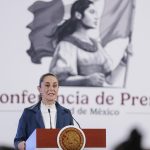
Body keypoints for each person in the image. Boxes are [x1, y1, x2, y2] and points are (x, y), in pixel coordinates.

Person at [49, 0, 126, 87]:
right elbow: (59, 80)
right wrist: (86, 80)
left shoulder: (97, 45)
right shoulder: (67, 45)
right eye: (92, 12)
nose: (96, 17)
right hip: (78, 98)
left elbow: (109, 80)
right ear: (78, 15)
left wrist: (123, 62)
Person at [14, 73, 73, 150]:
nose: (51, 88)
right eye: (47, 85)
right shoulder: (28, 113)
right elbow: (18, 140)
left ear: (58, 88)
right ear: (39, 89)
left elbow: (72, 138)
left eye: (54, 86)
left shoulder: (66, 113)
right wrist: (21, 145)